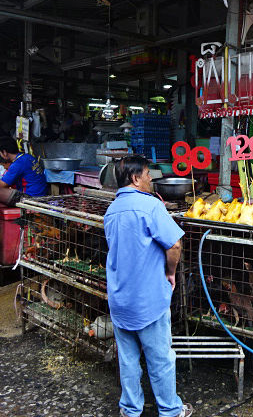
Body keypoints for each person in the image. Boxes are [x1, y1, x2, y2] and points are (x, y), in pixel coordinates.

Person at [104, 155, 193, 417]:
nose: (150, 178)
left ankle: (130, 409)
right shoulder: (150, 206)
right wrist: (170, 272)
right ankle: (170, 410)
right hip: (148, 298)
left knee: (128, 359)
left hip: (119, 298)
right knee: (160, 359)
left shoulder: (111, 211)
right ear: (135, 178)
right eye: (147, 174)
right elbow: (174, 244)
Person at [0, 137, 48, 206]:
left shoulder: (18, 163)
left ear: (4, 152)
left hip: (32, 197)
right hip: (41, 193)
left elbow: (0, 185)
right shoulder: (28, 156)